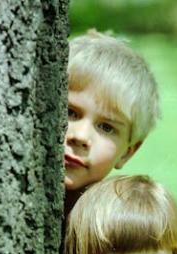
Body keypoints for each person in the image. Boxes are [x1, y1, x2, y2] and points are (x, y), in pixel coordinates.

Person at [63, 30, 160, 213]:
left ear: (127, 153)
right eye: (71, 112)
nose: (81, 136)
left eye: (106, 127)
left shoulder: (115, 231)